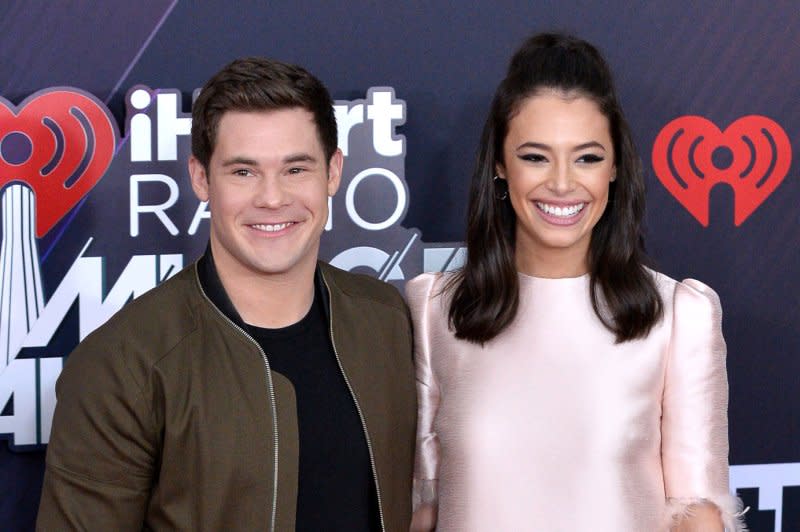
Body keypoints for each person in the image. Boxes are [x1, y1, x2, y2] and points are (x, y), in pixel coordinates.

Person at [37, 57, 416, 531]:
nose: (273, 198)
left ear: (334, 172)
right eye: (243, 172)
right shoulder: (122, 364)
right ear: (200, 178)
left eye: (296, 169)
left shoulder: (388, 323)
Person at [406, 33, 745, 531]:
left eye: (586, 157)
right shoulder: (435, 308)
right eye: (535, 157)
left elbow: (699, 516)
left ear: (615, 167)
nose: (562, 184)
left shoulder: (677, 315)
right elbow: (425, 509)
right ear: (500, 166)